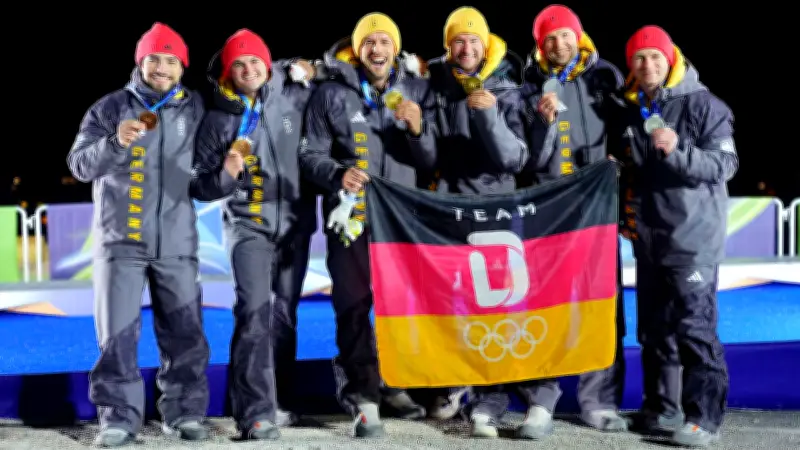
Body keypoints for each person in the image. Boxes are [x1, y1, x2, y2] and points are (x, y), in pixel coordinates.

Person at [66, 23, 210, 447]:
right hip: (120, 243)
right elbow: (79, 165)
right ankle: (118, 420)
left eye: (171, 60)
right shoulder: (110, 108)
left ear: (182, 66)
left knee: (186, 333)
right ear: (139, 61)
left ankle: (184, 414)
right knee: (117, 335)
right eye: (154, 58)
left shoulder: (196, 108)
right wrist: (114, 142)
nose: (162, 67)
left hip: (177, 242)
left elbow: (205, 175)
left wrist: (228, 179)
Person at [299, 12, 438, 438]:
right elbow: (309, 155)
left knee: (403, 307)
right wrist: (337, 173)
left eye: (383, 41)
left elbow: (432, 160)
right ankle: (362, 394)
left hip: (402, 221)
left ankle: (395, 383)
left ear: (395, 47)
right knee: (354, 306)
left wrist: (418, 130)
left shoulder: (417, 88)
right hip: (351, 219)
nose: (376, 50)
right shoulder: (329, 94)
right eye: (368, 43)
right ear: (357, 50)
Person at [190, 29, 317, 440]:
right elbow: (199, 185)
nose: (248, 70)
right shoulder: (217, 119)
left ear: (267, 64)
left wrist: (312, 66)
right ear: (228, 73)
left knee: (284, 316)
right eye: (238, 64)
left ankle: (279, 400)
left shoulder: (292, 94)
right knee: (254, 314)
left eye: (254, 62)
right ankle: (254, 413)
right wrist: (226, 173)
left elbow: (332, 67)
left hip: (296, 224)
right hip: (247, 228)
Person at [511, 4, 630, 439]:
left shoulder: (607, 78)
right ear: (540, 45)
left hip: (595, 213)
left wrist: (623, 163)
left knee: (601, 306)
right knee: (544, 305)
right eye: (549, 38)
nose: (558, 44)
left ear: (578, 37)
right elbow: (525, 157)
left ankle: (599, 401)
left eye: (565, 35)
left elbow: (628, 132)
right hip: (546, 214)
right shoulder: (527, 85)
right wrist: (541, 122)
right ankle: (541, 400)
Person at [617, 25, 736, 448]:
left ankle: (703, 419)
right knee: (654, 329)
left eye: (654, 56)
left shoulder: (705, 105)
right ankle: (660, 409)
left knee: (694, 328)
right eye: (638, 58)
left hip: (693, 241)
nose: (646, 64)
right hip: (650, 240)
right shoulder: (632, 108)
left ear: (670, 59)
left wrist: (678, 150)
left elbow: (724, 165)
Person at [423, 6, 528, 422]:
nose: (466, 48)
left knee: (494, 305)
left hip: (494, 212)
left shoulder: (507, 90)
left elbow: (514, 159)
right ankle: (454, 384)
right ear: (449, 47)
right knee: (450, 304)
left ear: (485, 46)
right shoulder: (433, 84)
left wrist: (488, 115)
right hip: (447, 209)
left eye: (472, 41)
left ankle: (491, 396)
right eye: (458, 41)